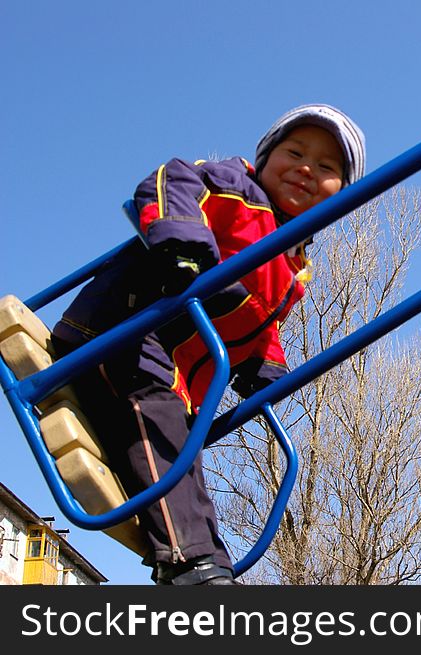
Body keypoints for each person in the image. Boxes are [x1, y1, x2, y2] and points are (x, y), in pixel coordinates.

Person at [51, 104, 366, 584]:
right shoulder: (235, 188)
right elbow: (170, 178)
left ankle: (210, 563)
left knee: (186, 460)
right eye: (295, 152)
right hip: (125, 335)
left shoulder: (291, 264)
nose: (306, 168)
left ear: (342, 195)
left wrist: (266, 372)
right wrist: (182, 238)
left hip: (177, 376)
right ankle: (187, 561)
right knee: (159, 425)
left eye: (326, 168)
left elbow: (262, 327)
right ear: (264, 158)